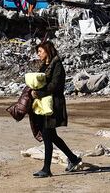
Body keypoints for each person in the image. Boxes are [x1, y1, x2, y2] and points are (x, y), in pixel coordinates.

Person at [30, 40, 81, 178]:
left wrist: (38, 93)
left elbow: (54, 85)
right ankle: (74, 158)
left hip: (52, 105)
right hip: (43, 105)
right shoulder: (44, 65)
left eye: (40, 51)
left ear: (47, 50)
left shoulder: (57, 65)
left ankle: (46, 169)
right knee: (52, 136)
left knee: (47, 136)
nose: (38, 54)